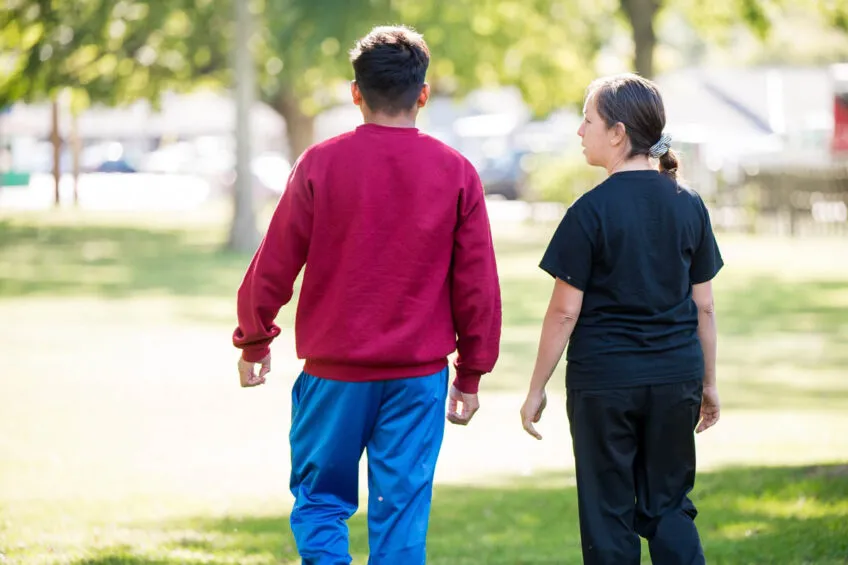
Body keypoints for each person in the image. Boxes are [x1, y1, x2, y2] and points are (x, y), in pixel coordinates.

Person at [232, 25, 502, 565]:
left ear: (355, 92)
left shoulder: (320, 164)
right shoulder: (456, 173)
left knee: (319, 503)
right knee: (401, 513)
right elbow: (477, 284)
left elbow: (275, 261)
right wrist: (471, 372)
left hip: (334, 376)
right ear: (422, 94)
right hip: (417, 379)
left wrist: (255, 338)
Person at [519, 73, 723, 565]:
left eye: (587, 119)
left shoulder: (589, 212)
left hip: (604, 384)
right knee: (669, 506)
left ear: (618, 132)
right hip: (677, 379)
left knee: (608, 513)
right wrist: (709, 384)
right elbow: (705, 306)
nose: (579, 130)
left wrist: (535, 389)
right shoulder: (689, 204)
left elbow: (565, 311)